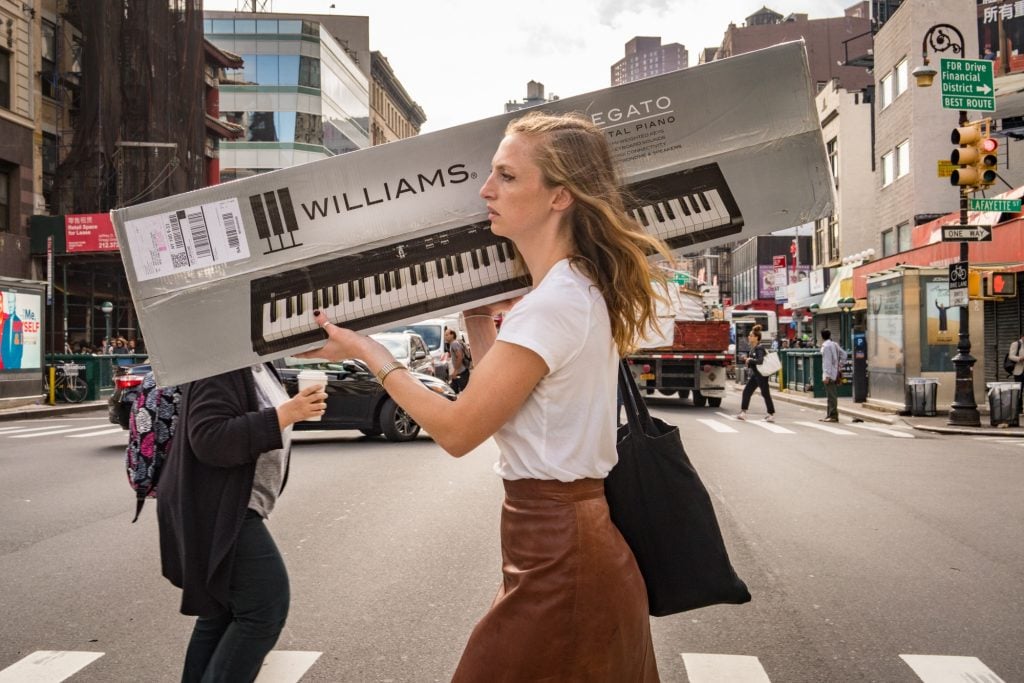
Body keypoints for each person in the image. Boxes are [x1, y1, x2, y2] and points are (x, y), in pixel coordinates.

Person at [301, 111, 667, 681]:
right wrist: (477, 313)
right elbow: (514, 405)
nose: (486, 189)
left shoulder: (552, 305)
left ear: (559, 197)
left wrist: (371, 352)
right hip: (562, 548)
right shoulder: (571, 290)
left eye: (507, 176)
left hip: (562, 557)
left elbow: (458, 430)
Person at [157, 364, 327, 682]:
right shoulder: (220, 366)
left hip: (229, 506)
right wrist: (285, 414)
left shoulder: (259, 364)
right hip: (219, 511)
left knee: (219, 613)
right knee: (266, 607)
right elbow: (209, 438)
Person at [736, 324, 775, 422]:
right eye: (749, 335)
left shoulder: (759, 348)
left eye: (751, 336)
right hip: (756, 375)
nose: (749, 337)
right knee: (747, 391)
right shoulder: (754, 348)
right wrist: (748, 360)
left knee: (765, 393)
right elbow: (755, 361)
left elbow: (760, 361)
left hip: (761, 375)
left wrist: (749, 359)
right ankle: (743, 413)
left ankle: (771, 414)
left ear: (756, 338)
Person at [820, 328, 847, 422]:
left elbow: (827, 362)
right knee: (831, 395)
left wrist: (826, 375)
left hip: (829, 374)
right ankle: (829, 415)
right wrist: (839, 366)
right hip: (834, 373)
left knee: (831, 396)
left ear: (822, 336)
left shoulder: (826, 346)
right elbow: (844, 355)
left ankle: (833, 416)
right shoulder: (834, 344)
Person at [445, 327, 470, 393]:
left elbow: (459, 356)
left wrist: (455, 371)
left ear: (452, 335)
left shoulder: (454, 344)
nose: (445, 337)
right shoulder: (454, 344)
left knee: (465, 391)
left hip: (461, 373)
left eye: (447, 335)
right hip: (459, 372)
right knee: (452, 391)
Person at [1009, 334, 1024, 414]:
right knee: (1019, 390)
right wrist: (1020, 358)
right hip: (1019, 370)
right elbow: (1011, 356)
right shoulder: (1016, 344)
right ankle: (1019, 409)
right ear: (1022, 337)